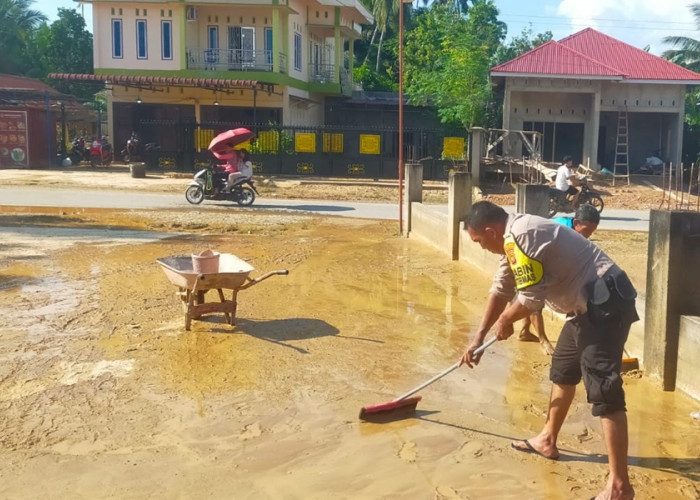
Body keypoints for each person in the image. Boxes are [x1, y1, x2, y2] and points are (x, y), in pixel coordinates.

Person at [461, 200, 638, 500]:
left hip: (605, 303)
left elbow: (531, 299)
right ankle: (547, 439)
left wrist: (505, 320)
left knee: (604, 390)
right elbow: (502, 287)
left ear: (490, 231)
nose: (480, 247)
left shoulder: (523, 233)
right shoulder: (511, 240)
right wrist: (478, 338)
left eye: (478, 242)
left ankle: (620, 486)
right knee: (563, 370)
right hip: (583, 309)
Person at [519, 204, 602, 354]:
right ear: (576, 223)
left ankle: (524, 331)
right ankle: (543, 341)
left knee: (530, 301)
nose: (589, 235)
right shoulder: (561, 231)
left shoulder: (574, 232)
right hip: (529, 259)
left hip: (543, 259)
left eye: (592, 231)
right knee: (534, 300)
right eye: (587, 230)